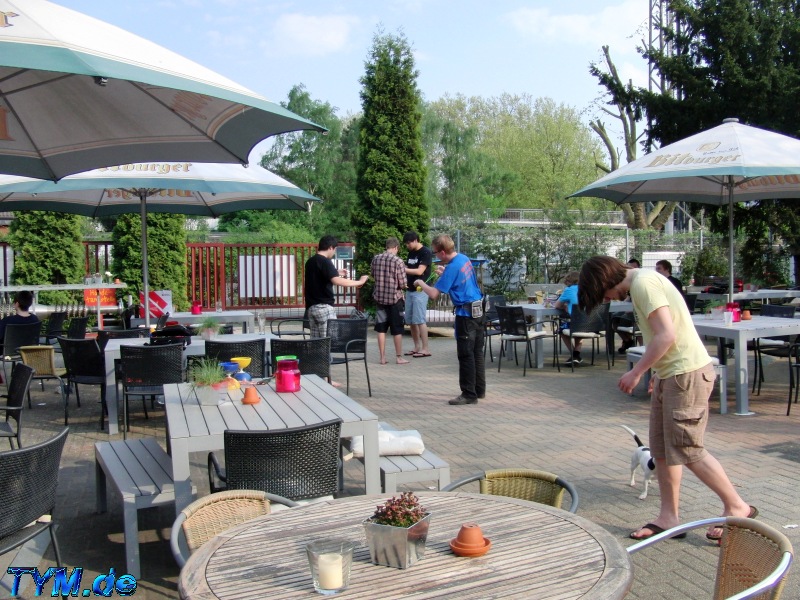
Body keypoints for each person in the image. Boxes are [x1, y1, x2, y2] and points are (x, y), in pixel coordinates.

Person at [578, 256, 756, 541]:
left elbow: (665, 335)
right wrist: (657, 375)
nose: (609, 298)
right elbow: (660, 337)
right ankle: (668, 517)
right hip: (670, 375)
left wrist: (638, 372)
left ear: (605, 281)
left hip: (686, 373)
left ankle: (738, 506)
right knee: (661, 450)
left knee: (687, 448)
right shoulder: (641, 283)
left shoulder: (644, 284)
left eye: (604, 294)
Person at [415, 234, 485, 405]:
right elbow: (458, 278)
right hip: (479, 310)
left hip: (465, 315)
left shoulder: (452, 267)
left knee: (465, 355)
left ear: (443, 252)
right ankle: (479, 390)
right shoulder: (463, 258)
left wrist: (421, 282)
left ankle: (469, 394)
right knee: (477, 353)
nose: (435, 256)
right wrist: (444, 273)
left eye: (436, 253)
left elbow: (433, 294)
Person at [304, 235, 368, 339]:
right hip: (324, 308)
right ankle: (326, 356)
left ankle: (316, 356)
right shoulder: (325, 261)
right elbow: (336, 281)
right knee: (329, 342)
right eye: (334, 249)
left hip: (311, 308)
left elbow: (319, 276)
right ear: (330, 247)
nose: (334, 253)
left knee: (316, 343)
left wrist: (336, 272)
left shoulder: (310, 261)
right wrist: (359, 282)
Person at [371, 237, 409, 365]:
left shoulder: (376, 259)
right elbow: (403, 283)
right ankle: (399, 357)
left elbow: (373, 275)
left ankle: (382, 357)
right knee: (397, 328)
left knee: (381, 328)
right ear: (396, 247)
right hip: (394, 299)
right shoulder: (398, 261)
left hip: (380, 298)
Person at [402, 231, 433, 358]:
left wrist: (403, 269)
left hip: (420, 290)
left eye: (409, 243)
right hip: (409, 289)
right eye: (406, 244)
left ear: (415, 240)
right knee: (411, 320)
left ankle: (426, 348)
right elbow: (410, 267)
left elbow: (420, 270)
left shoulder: (425, 252)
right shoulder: (411, 252)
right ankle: (416, 347)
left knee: (419, 319)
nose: (407, 246)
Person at [613, 257, 642, 353]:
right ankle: (628, 340)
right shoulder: (629, 282)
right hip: (630, 310)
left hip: (638, 313)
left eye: (633, 268)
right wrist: (621, 304)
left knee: (623, 318)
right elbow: (629, 297)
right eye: (628, 268)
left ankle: (632, 343)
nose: (630, 270)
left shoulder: (640, 281)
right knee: (614, 318)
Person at [554, 271, 582, 365]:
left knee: (562, 330)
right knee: (578, 327)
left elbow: (557, 306)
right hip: (593, 325)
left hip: (576, 324)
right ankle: (576, 354)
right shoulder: (589, 289)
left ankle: (574, 354)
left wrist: (565, 306)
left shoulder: (569, 290)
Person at [0, 290, 40, 355]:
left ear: (17, 304)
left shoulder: (7, 321)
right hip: (29, 351)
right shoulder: (35, 319)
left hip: (8, 351)